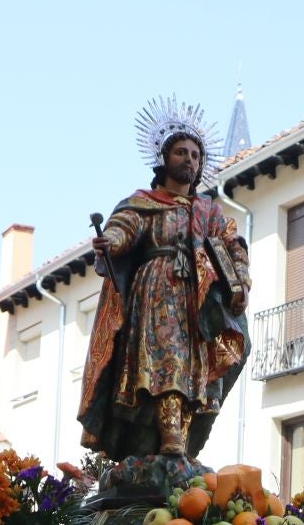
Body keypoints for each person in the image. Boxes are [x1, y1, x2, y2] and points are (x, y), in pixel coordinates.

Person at [80, 99, 250, 460]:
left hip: (199, 299)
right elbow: (124, 228)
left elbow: (232, 247)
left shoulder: (209, 212)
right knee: (167, 358)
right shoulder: (144, 203)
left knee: (195, 366)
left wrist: (241, 284)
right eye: (181, 152)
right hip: (158, 289)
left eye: (195, 155)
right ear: (164, 158)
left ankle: (183, 437)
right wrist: (110, 242)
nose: (189, 159)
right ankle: (169, 436)